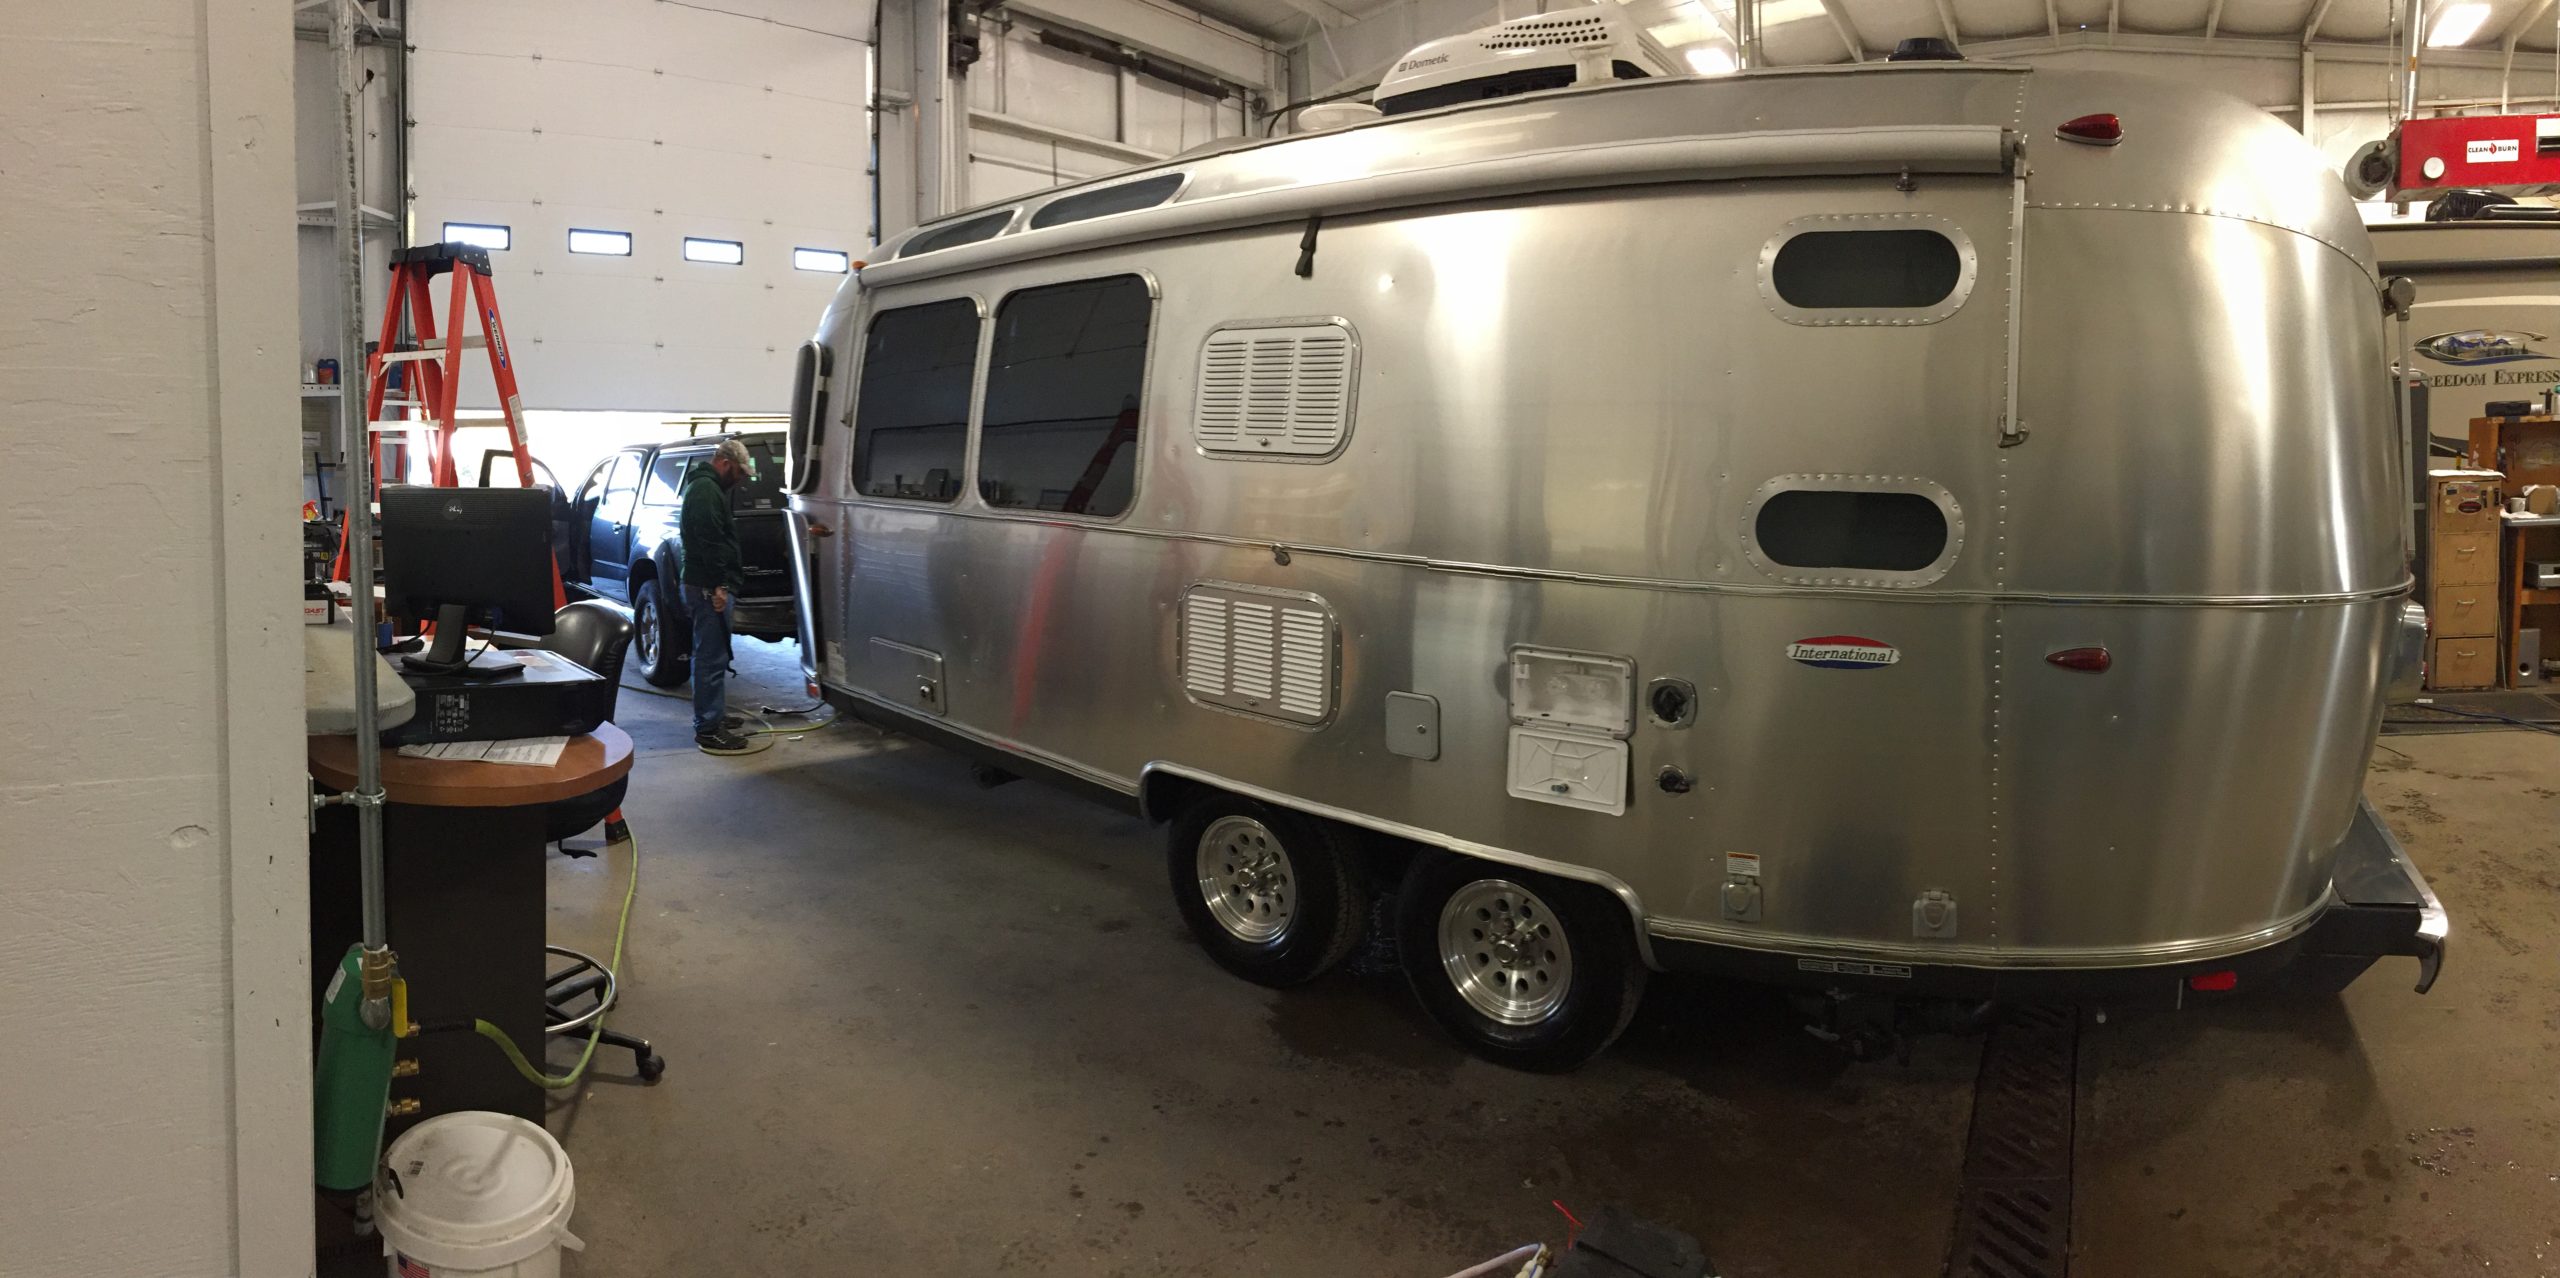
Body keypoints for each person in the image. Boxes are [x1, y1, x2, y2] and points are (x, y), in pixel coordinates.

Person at [681, 438, 755, 755]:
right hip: (707, 586)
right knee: (710, 658)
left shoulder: (708, 488)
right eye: (738, 473)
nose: (739, 480)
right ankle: (709, 729)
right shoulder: (705, 490)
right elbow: (709, 541)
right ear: (725, 463)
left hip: (708, 583)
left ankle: (714, 715)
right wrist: (718, 586)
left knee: (715, 655)